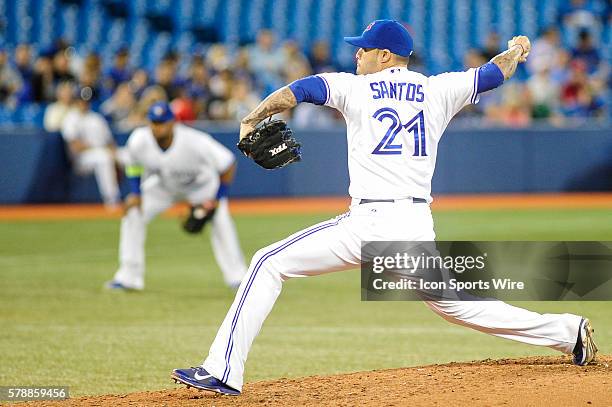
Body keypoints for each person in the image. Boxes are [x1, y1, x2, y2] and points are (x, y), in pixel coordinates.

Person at [171, 20, 597, 396]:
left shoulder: (354, 87)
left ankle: (223, 370)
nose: (357, 53)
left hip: (368, 222)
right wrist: (518, 50)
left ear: (385, 55)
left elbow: (297, 91)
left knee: (267, 262)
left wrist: (251, 117)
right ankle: (565, 331)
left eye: (364, 48)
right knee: (456, 305)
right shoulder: (437, 88)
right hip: (412, 223)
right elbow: (494, 73)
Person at [105, 102, 247, 291]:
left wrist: (216, 199)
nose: (158, 127)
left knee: (221, 223)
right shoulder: (139, 139)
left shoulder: (195, 141)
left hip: (201, 187)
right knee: (133, 212)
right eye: (154, 122)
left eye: (162, 122)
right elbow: (133, 163)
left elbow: (228, 164)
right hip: (164, 186)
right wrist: (135, 193)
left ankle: (238, 278)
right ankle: (128, 278)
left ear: (173, 122)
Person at [61, 86, 121, 208]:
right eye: (81, 100)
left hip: (102, 152)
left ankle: (138, 196)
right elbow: (74, 146)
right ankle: (112, 200)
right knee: (103, 158)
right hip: (81, 160)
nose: (84, 103)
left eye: (86, 100)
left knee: (129, 156)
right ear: (76, 100)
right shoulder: (71, 118)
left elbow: (110, 142)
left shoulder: (97, 118)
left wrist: (115, 155)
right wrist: (102, 150)